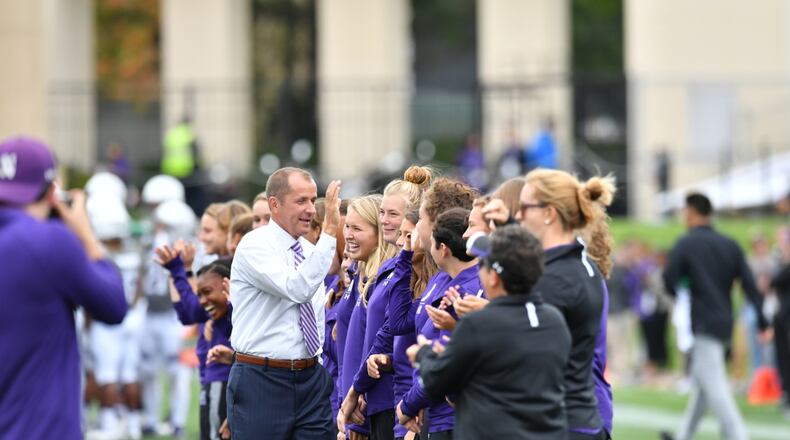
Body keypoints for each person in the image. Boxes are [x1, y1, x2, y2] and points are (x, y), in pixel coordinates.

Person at [0, 137, 127, 439]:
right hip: (41, 428)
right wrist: (85, 236)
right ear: (51, 191)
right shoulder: (50, 241)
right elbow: (113, 305)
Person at [483, 168, 616, 439]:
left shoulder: (556, 279)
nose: (518, 216)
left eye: (524, 209)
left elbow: (520, 350)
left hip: (558, 424)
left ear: (549, 213)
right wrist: (508, 225)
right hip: (573, 418)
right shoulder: (573, 264)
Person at [408, 225, 572, 440]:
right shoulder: (554, 320)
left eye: (482, 265)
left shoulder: (479, 324)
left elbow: (439, 381)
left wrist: (424, 355)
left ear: (494, 277)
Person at [228, 167, 341, 440]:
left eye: (314, 201)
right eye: (301, 201)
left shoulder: (311, 252)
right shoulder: (254, 246)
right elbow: (297, 288)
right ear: (274, 204)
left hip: (311, 377)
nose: (311, 210)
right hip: (262, 380)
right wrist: (329, 233)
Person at [662, 193, 772, 440]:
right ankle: (684, 436)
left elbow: (669, 281)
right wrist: (764, 322)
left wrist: (684, 287)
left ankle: (738, 435)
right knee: (703, 385)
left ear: (691, 212)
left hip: (703, 321)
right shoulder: (729, 244)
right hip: (725, 321)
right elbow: (750, 284)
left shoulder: (686, 243)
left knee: (716, 387)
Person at [86, 195, 146, 440]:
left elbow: (95, 290)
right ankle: (133, 425)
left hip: (109, 319)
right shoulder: (135, 252)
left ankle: (110, 425)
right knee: (130, 374)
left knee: (107, 374)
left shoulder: (100, 255)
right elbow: (139, 288)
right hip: (133, 317)